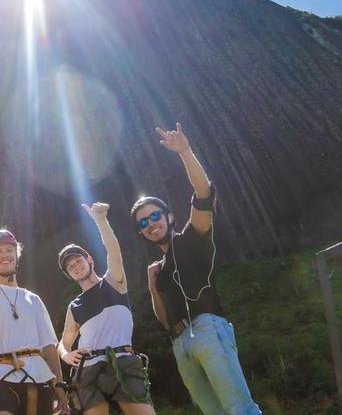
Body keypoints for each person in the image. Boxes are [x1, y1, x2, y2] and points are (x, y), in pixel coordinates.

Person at [134, 123, 260, 415]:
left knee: (240, 409)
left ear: (170, 216)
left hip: (208, 328)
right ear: (141, 233)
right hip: (181, 344)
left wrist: (185, 151)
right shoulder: (159, 269)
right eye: (143, 222)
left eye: (155, 215)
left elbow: (204, 194)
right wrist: (153, 288)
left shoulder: (192, 239)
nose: (151, 223)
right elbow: (164, 320)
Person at [57, 203, 155, 415]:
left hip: (124, 362)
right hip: (88, 370)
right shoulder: (75, 306)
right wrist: (65, 355)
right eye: (70, 266)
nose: (75, 266)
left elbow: (114, 253)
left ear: (89, 260)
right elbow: (63, 343)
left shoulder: (113, 282)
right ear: (69, 275)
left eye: (77, 260)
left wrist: (101, 221)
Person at [0, 228, 70, 415]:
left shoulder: (33, 300)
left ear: (17, 254)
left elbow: (49, 348)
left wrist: (59, 387)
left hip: (38, 380)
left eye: (9, 250)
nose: (5, 255)